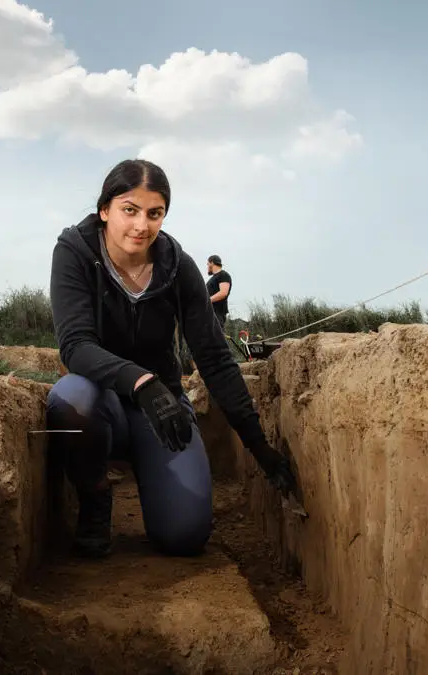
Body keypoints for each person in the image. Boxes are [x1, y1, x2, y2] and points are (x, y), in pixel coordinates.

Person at [46, 159, 299, 559]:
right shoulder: (75, 252)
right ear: (105, 210)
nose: (141, 225)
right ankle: (94, 494)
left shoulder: (177, 266)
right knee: (71, 400)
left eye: (154, 213)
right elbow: (76, 345)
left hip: (160, 408)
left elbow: (214, 358)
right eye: (129, 210)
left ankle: (155, 468)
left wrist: (258, 446)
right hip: (101, 400)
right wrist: (140, 382)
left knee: (185, 535)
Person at [206, 255, 232, 331]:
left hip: (217, 314)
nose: (207, 267)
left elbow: (223, 293)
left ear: (212, 263)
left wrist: (207, 300)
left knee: (216, 337)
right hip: (209, 313)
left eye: (207, 264)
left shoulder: (224, 275)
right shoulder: (212, 279)